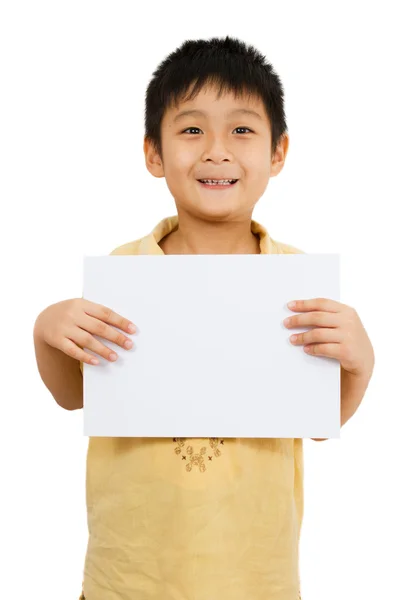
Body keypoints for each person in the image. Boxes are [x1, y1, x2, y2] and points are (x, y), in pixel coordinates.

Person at [33, 35, 375, 600]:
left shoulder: (297, 284)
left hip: (256, 580)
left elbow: (318, 421)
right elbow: (75, 395)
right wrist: (47, 329)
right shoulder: (124, 272)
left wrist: (360, 365)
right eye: (191, 129)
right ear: (154, 153)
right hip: (127, 579)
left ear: (278, 152)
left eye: (242, 129)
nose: (217, 150)